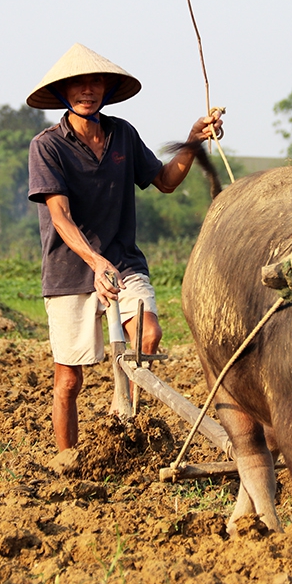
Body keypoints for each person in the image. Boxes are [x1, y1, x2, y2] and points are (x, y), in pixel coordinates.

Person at [26, 43, 222, 451]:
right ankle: (67, 462)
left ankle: (122, 415)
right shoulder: (47, 146)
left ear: (106, 89)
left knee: (146, 337)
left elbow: (166, 181)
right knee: (68, 379)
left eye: (95, 81)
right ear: (63, 92)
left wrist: (191, 140)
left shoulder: (122, 135)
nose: (88, 89)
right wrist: (96, 262)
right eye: (78, 83)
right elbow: (60, 217)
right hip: (70, 269)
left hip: (123, 261)